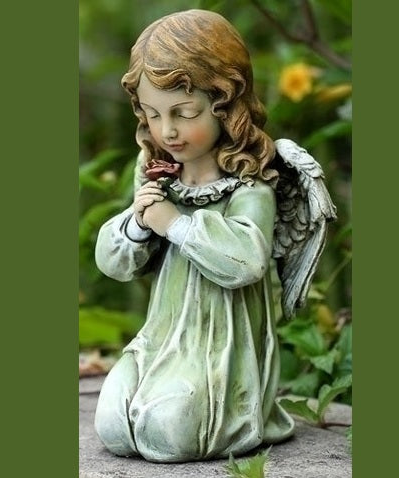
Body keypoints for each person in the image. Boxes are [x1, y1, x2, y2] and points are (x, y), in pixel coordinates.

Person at [94, 9, 302, 463]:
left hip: (221, 350)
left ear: (225, 105)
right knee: (112, 426)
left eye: (184, 113)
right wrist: (139, 222)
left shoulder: (250, 187)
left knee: (166, 434)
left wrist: (175, 223)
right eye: (153, 114)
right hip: (161, 337)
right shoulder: (158, 175)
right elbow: (113, 264)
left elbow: (246, 262)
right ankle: (154, 390)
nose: (167, 130)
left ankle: (221, 414)